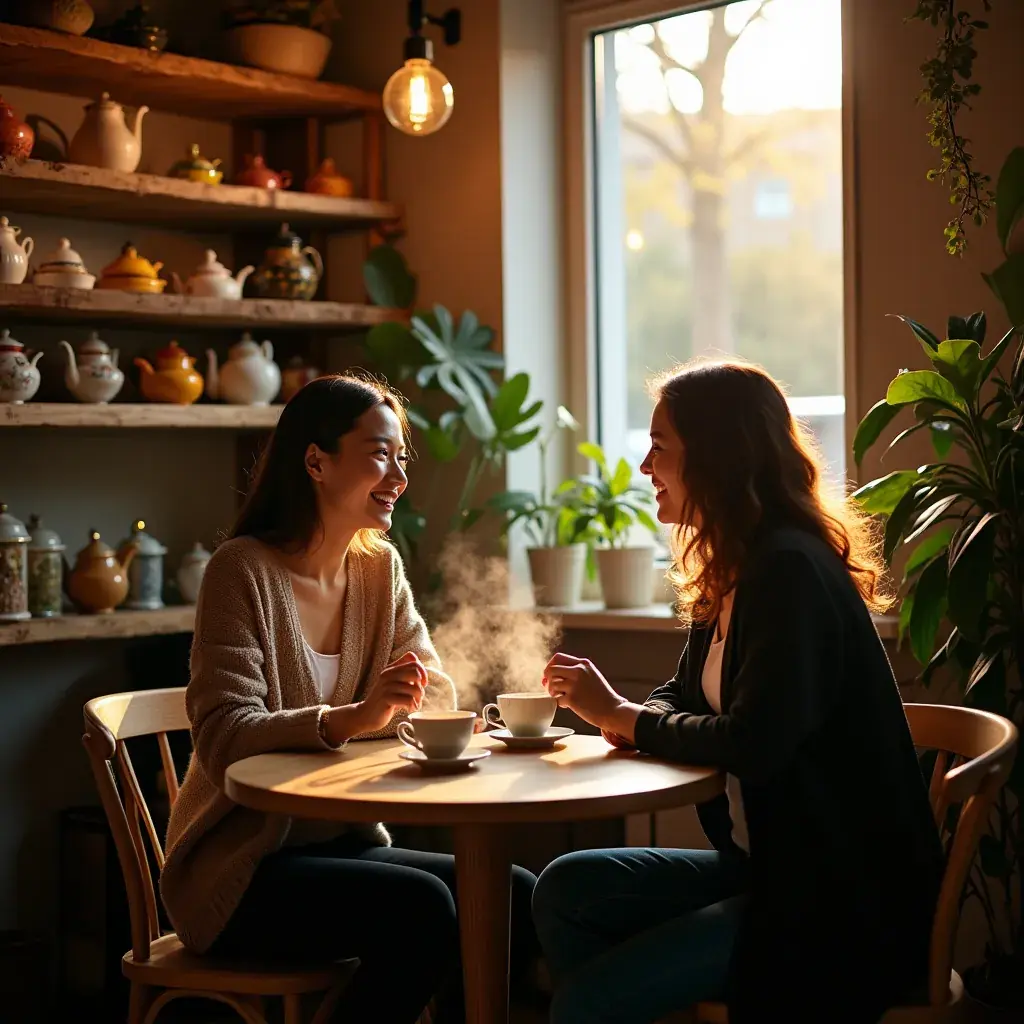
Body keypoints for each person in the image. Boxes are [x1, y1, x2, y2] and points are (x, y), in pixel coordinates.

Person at [532, 360, 944, 1024]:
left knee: (582, 1002)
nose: (643, 467)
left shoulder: (788, 572)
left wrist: (622, 716)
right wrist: (635, 716)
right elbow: (676, 696)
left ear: (717, 459)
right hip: (778, 874)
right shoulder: (734, 569)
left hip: (840, 904)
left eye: (660, 447)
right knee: (565, 889)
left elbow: (757, 742)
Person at [160, 374, 537, 1024]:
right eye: (380, 454)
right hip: (244, 867)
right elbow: (223, 736)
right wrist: (354, 718)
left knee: (517, 895)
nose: (398, 476)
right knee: (422, 909)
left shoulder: (376, 568)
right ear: (316, 461)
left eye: (402, 458)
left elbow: (432, 689)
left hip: (340, 842)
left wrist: (405, 705)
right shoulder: (241, 571)